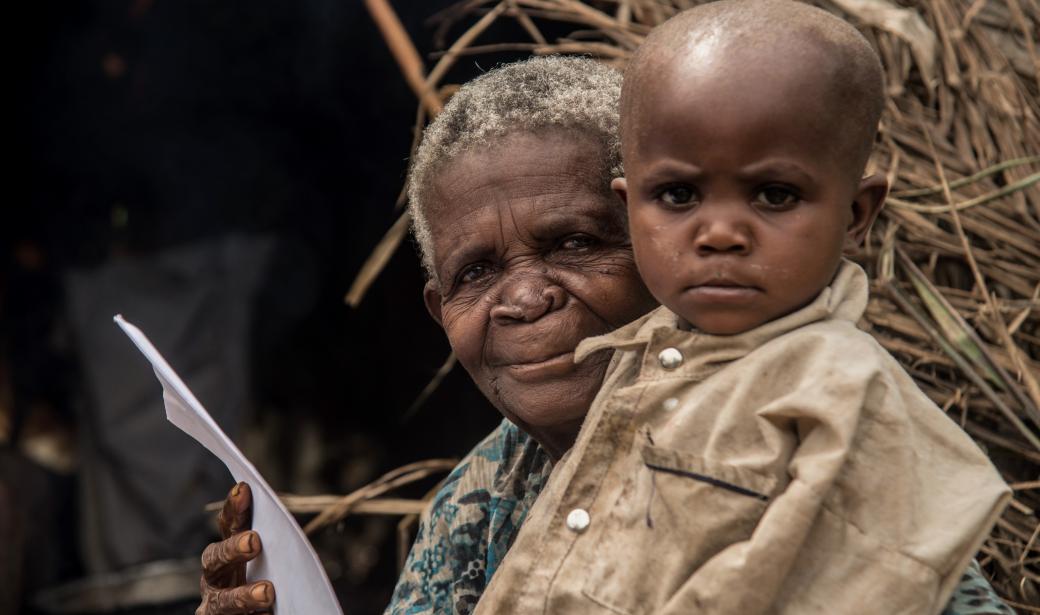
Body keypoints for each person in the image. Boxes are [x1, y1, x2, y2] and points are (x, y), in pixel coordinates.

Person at [194, 56, 1013, 615]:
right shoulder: (471, 506)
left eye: (576, 243)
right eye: (477, 273)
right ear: (439, 311)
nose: (523, 297)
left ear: (662, 238)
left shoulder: (789, 426)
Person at [470, 4, 1011, 615]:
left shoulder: (849, 394)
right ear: (630, 209)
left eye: (775, 195)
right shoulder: (631, 362)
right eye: (678, 195)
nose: (721, 232)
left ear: (857, 215)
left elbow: (874, 585)